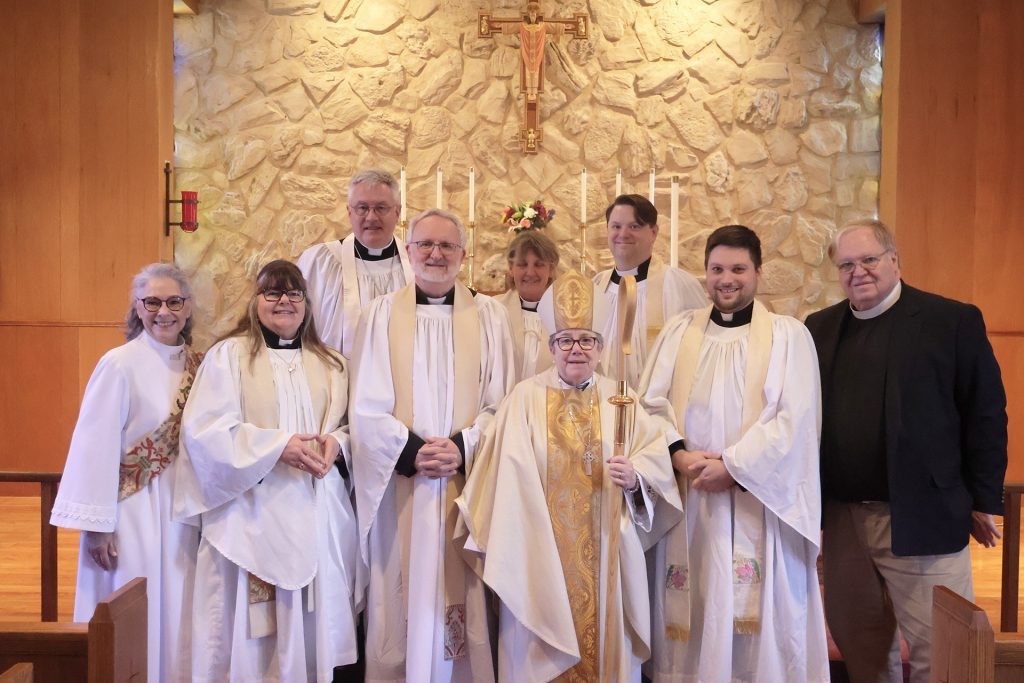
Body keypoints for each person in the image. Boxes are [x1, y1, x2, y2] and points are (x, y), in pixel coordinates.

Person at [804, 219, 1008, 683]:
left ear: (895, 260)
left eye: (870, 260)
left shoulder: (950, 320)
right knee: (861, 647)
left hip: (922, 513)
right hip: (842, 520)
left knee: (942, 650)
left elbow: (986, 413)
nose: (859, 272)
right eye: (847, 265)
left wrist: (982, 499)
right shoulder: (819, 328)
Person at [456, 269, 683, 681]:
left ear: (600, 348)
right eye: (565, 341)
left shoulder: (622, 400)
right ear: (551, 346)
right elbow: (502, 480)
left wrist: (635, 478)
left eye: (586, 341)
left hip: (606, 561)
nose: (575, 350)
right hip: (537, 558)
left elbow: (657, 465)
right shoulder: (522, 399)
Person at [640, 225, 829, 682]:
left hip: (758, 505)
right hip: (689, 504)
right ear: (705, 273)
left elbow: (795, 421)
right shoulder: (678, 333)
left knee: (757, 630)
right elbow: (650, 406)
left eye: (738, 269)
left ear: (758, 272)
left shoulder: (789, 337)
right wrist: (680, 456)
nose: (727, 279)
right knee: (695, 612)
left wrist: (733, 467)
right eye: (717, 269)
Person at [173, 260, 359, 682]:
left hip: (316, 511)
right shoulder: (229, 356)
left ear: (307, 304)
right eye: (272, 293)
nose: (284, 302)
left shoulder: (332, 363)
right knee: (253, 640)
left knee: (310, 630)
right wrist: (278, 447)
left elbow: (349, 429)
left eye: (294, 293)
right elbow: (204, 432)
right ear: (255, 302)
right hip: (252, 511)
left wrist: (339, 444)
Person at [350, 208, 514, 682]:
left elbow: (502, 402)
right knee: (401, 593)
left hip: (465, 485)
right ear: (408, 250)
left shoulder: (490, 317)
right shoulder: (379, 315)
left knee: (463, 598)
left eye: (446, 246)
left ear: (464, 254)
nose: (435, 254)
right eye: (425, 245)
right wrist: (411, 452)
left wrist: (463, 446)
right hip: (403, 483)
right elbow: (364, 405)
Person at [50, 262, 201, 683]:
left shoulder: (201, 365)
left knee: (178, 607)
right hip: (132, 512)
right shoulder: (118, 364)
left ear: (188, 308)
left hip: (184, 511)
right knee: (137, 605)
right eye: (151, 301)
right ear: (137, 307)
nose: (163, 311)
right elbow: (92, 446)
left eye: (174, 301)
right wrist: (97, 525)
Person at [297, 169, 413, 357]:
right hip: (338, 380)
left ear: (397, 212)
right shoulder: (320, 262)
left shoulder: (416, 265)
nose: (371, 217)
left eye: (381, 208)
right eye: (362, 208)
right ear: (349, 212)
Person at [595, 194, 707, 388]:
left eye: (634, 226)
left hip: (659, 411)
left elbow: (702, 353)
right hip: (602, 407)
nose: (623, 233)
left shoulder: (679, 285)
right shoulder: (596, 286)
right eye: (616, 226)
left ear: (653, 232)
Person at [493, 229, 560, 382]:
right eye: (522, 265)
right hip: (503, 404)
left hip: (549, 402)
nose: (530, 273)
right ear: (511, 268)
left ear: (551, 269)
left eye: (539, 264)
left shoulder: (566, 316)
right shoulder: (494, 311)